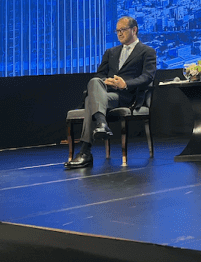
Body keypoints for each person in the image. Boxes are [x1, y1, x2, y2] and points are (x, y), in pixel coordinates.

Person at [65, 16, 157, 169]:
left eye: (123, 30)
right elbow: (100, 74)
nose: (119, 33)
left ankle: (85, 152)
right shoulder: (111, 52)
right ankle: (101, 124)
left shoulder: (147, 51)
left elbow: (148, 77)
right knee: (95, 81)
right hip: (107, 94)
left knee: (90, 100)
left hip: (128, 96)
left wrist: (125, 84)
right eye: (117, 31)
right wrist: (106, 81)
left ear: (134, 30)